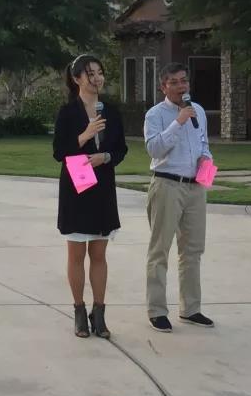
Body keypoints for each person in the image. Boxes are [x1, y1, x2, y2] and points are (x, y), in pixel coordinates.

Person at [53, 54, 128, 339]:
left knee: (99, 253)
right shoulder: (67, 112)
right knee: (76, 254)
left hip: (103, 185)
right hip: (77, 184)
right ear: (76, 79)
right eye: (90, 74)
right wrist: (84, 136)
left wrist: (105, 156)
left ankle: (99, 313)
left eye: (100, 73)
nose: (97, 79)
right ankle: (79, 311)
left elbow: (121, 149)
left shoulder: (111, 111)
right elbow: (59, 152)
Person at [144, 62, 214, 333]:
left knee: (193, 250)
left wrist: (206, 163)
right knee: (160, 250)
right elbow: (154, 149)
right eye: (174, 82)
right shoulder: (155, 115)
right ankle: (157, 310)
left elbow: (204, 144)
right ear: (163, 87)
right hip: (167, 185)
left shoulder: (199, 111)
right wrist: (178, 121)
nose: (181, 86)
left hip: (195, 187)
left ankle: (191, 308)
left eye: (184, 80)